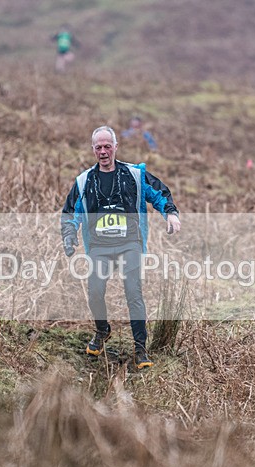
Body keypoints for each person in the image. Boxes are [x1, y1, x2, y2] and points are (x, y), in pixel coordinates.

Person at [60, 126, 181, 369]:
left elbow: (159, 193)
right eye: (99, 147)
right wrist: (69, 234)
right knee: (95, 291)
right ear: (93, 150)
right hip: (99, 246)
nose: (103, 151)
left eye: (107, 146)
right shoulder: (84, 181)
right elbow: (71, 212)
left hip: (129, 244)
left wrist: (170, 213)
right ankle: (102, 330)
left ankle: (140, 349)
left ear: (116, 147)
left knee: (133, 292)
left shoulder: (134, 175)